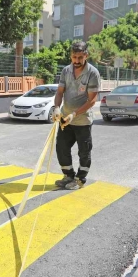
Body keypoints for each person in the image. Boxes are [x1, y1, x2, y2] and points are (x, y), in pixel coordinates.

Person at [52, 41, 101, 190]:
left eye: (80, 57)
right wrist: (56, 108)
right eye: (74, 57)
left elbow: (92, 100)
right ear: (71, 56)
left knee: (84, 151)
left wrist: (74, 114)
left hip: (83, 121)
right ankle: (68, 176)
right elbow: (60, 92)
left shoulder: (93, 73)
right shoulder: (66, 71)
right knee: (61, 147)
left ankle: (80, 179)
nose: (77, 61)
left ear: (86, 55)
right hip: (65, 120)